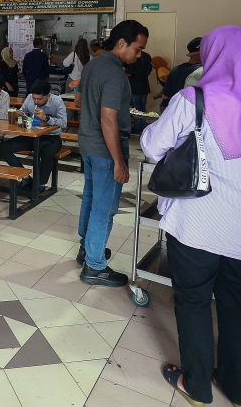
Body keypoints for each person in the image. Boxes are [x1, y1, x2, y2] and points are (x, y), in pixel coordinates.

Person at [140, 26, 241, 407]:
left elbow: (150, 145)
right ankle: (237, 387)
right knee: (237, 303)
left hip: (197, 222)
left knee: (193, 301)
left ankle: (196, 386)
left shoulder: (192, 99)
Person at [75, 19, 149, 287]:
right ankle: (94, 266)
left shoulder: (93, 64)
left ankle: (87, 249)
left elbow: (79, 100)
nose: (138, 55)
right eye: (137, 49)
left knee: (91, 199)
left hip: (87, 144)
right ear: (121, 43)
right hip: (106, 150)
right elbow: (108, 119)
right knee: (104, 209)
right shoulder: (116, 74)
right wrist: (119, 161)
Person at [0, 79, 67, 196]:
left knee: (47, 153)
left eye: (40, 99)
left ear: (48, 95)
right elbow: (23, 111)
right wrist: (18, 114)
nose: (36, 101)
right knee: (4, 147)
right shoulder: (30, 97)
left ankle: (40, 184)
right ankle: (25, 177)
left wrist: (47, 118)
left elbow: (64, 123)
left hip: (51, 137)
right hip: (31, 135)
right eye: (34, 98)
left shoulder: (57, 101)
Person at [161, 37, 202, 110]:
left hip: (172, 109)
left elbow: (165, 96)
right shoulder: (201, 71)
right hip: (189, 112)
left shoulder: (175, 70)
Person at [127, 48, 153, 132]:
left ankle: (136, 127)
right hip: (144, 85)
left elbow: (128, 73)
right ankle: (142, 126)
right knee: (143, 107)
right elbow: (149, 71)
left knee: (135, 109)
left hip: (134, 85)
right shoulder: (147, 56)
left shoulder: (132, 56)